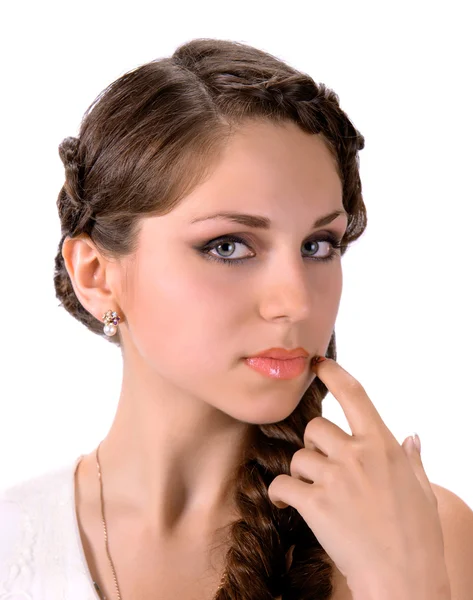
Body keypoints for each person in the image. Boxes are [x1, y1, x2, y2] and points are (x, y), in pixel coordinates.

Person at [1, 37, 469, 600]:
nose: (295, 301)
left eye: (319, 245)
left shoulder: (423, 533)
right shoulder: (13, 542)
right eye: (228, 246)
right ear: (97, 273)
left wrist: (406, 584)